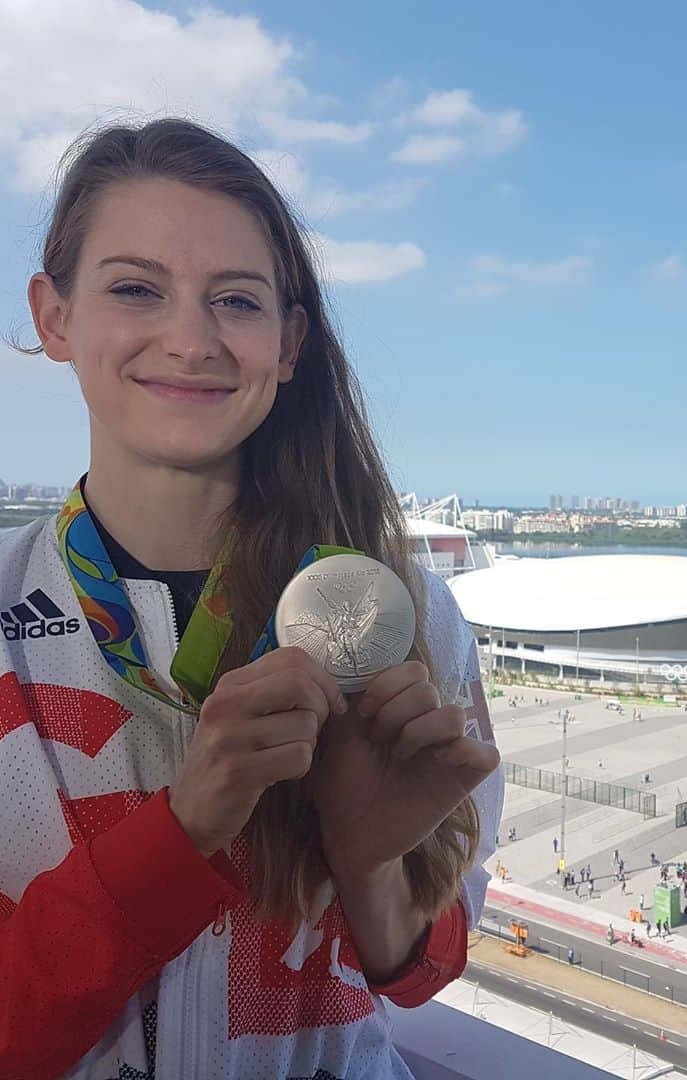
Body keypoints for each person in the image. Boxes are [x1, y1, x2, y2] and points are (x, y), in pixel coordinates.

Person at [0, 119, 504, 1079]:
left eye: (236, 300)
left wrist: (367, 862)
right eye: (136, 288)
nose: (190, 340)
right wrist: (186, 825)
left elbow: (415, 973)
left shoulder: (405, 615)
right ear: (54, 317)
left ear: (289, 343)